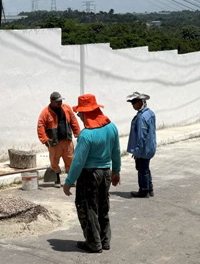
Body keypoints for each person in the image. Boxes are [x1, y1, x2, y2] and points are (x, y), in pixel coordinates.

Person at [62, 94, 121, 253]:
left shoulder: (86, 135)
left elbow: (78, 162)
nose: (79, 116)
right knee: (103, 206)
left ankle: (93, 243)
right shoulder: (111, 127)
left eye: (80, 113)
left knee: (88, 208)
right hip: (106, 173)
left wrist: (69, 182)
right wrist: (116, 171)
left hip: (89, 176)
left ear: (87, 113)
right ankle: (104, 240)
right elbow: (116, 152)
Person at [37, 91, 81, 187]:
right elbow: (40, 126)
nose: (60, 103)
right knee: (54, 161)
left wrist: (78, 133)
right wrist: (44, 139)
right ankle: (57, 180)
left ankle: (70, 180)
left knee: (70, 159)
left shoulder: (67, 108)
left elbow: (73, 121)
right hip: (54, 142)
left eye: (60, 101)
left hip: (67, 140)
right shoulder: (45, 112)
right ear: (51, 101)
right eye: (57, 101)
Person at [126, 92, 157, 198]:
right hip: (150, 147)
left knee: (142, 169)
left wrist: (137, 151)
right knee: (146, 168)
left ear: (140, 102)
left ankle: (143, 191)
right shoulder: (150, 113)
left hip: (143, 149)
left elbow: (141, 136)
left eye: (134, 102)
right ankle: (150, 188)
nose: (133, 105)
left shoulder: (141, 117)